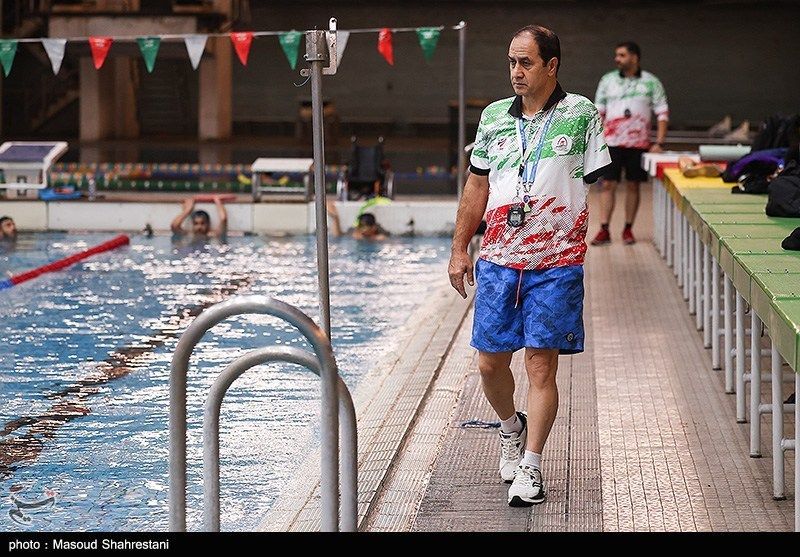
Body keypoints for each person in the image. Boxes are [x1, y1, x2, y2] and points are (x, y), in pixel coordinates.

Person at [448, 25, 610, 507]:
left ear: (551, 65)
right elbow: (477, 185)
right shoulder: (494, 116)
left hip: (556, 262)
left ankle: (533, 466)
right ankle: (509, 427)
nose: (516, 71)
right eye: (511, 62)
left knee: (541, 365)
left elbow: (595, 181)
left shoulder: (581, 114)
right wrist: (460, 249)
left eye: (526, 62)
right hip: (499, 260)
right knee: (489, 363)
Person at [590, 41, 669, 245]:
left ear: (634, 57)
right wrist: (596, 142)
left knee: (634, 185)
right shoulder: (607, 80)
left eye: (622, 55)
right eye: (617, 55)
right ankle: (604, 229)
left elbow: (662, 113)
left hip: (638, 144)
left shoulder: (652, 82)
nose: (617, 59)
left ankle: (628, 229)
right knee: (607, 184)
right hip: (611, 143)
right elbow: (598, 112)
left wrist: (659, 143)